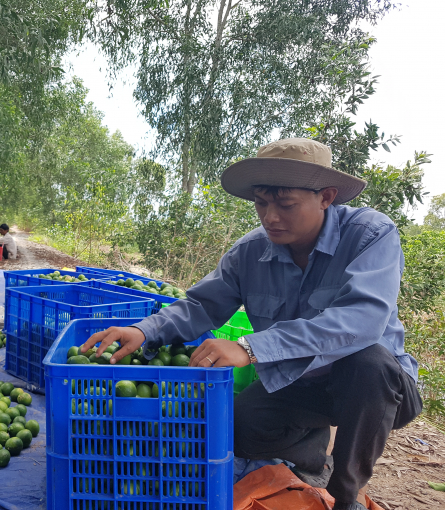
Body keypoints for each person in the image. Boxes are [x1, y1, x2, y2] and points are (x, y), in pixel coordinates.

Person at [80, 138, 422, 510]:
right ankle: (311, 450)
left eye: (286, 204)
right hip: (299, 379)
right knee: (239, 429)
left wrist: (250, 347)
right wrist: (145, 330)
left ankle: (346, 493)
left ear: (326, 196)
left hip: (378, 389)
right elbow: (201, 304)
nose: (270, 217)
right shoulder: (250, 252)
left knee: (367, 362)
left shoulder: (370, 234)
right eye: (261, 203)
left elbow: (362, 319)